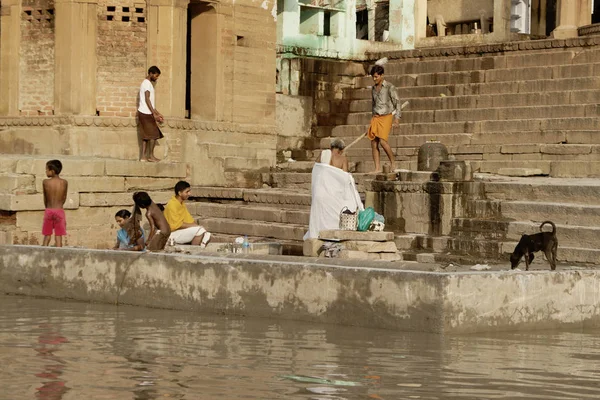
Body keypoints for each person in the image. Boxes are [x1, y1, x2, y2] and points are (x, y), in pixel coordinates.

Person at [368, 64, 401, 173]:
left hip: (386, 116)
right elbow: (374, 104)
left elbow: (397, 103)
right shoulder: (373, 88)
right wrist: (372, 119)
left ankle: (393, 163)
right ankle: (377, 168)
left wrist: (397, 118)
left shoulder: (390, 87)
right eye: (373, 77)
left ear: (382, 75)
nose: (374, 79)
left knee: (383, 141)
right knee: (373, 142)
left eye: (376, 77)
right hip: (376, 117)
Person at [164, 181, 212, 248]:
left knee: (205, 233)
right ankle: (194, 250)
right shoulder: (172, 205)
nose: (189, 193)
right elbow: (177, 225)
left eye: (189, 191)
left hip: (179, 231)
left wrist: (196, 226)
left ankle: (198, 248)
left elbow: (189, 220)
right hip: (171, 235)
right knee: (200, 230)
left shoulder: (181, 203)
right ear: (180, 193)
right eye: (187, 192)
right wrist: (197, 227)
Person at [138, 66, 164, 162]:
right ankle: (150, 156)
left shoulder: (146, 83)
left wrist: (158, 113)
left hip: (144, 112)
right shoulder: (147, 83)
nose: (156, 78)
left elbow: (151, 103)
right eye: (156, 76)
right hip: (146, 113)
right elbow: (147, 99)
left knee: (146, 136)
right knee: (154, 134)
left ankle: (143, 157)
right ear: (151, 73)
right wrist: (154, 114)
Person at [42, 160, 68, 247]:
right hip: (59, 211)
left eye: (46, 169)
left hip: (49, 210)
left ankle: (42, 256)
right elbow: (64, 198)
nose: (45, 171)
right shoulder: (64, 182)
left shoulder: (45, 182)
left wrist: (48, 207)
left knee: (47, 235)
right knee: (58, 237)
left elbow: (45, 198)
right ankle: (60, 258)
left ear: (52, 171)